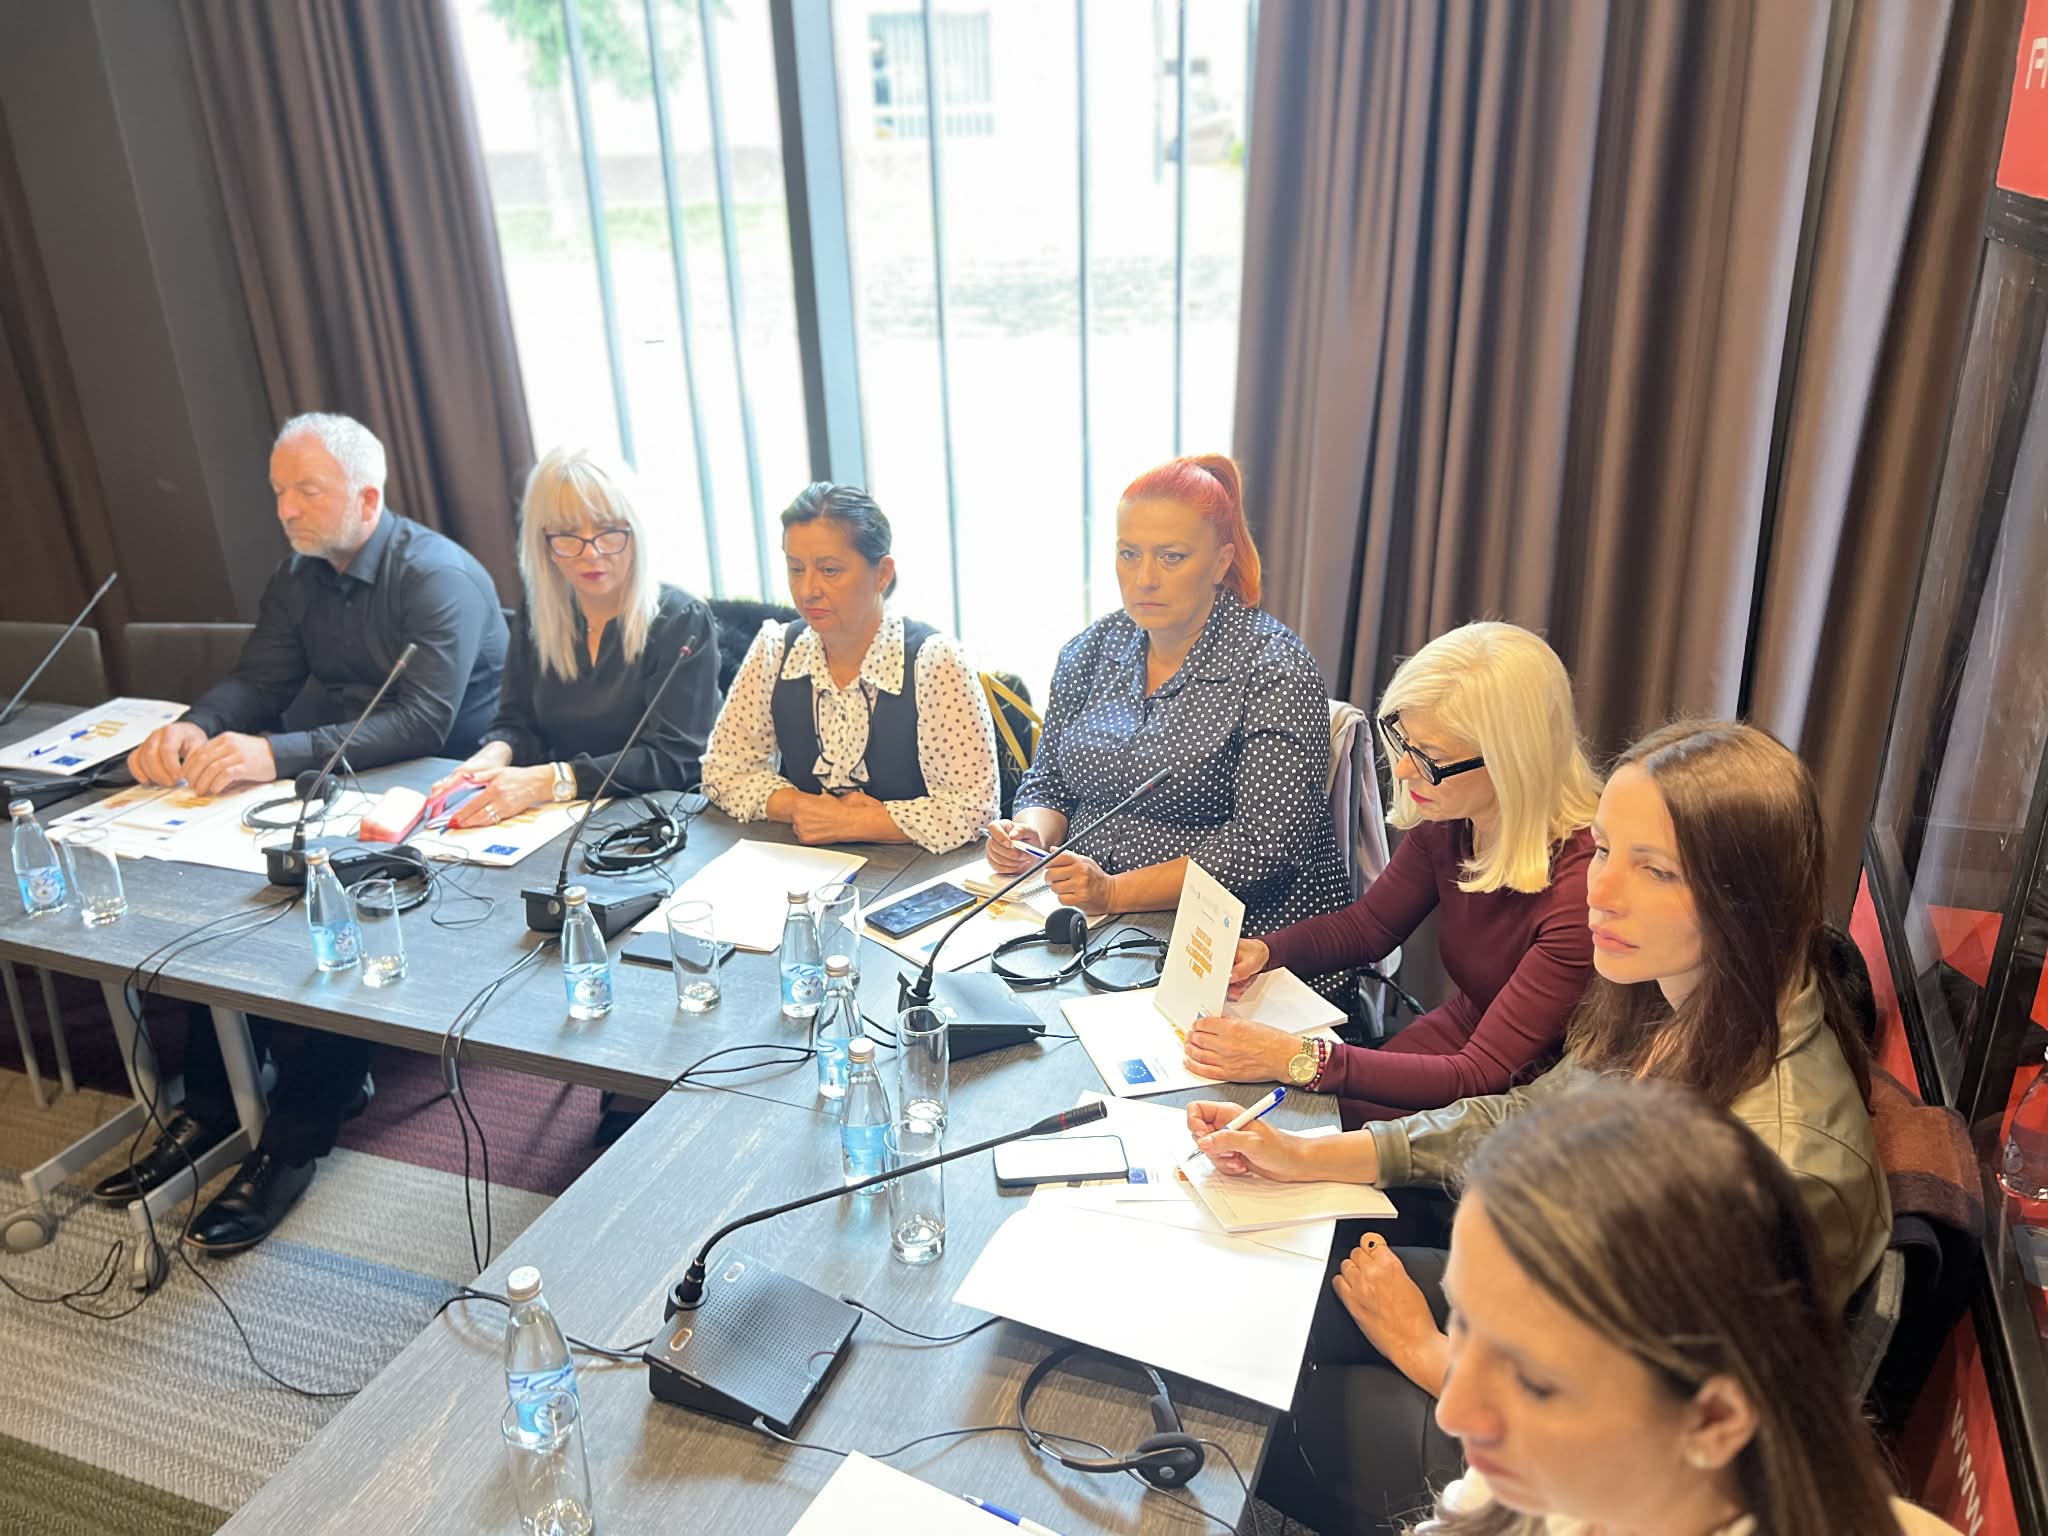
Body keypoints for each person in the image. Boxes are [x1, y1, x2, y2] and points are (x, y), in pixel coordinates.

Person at [1188, 720, 1890, 1531]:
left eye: (1656, 870)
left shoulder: (1783, 1163)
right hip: (1554, 1313)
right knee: (1259, 1311)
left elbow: (1668, 1438)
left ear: (1748, 897)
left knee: (1235, 1411)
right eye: (1604, 850)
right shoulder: (1676, 992)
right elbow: (1524, 1114)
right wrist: (1309, 1155)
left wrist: (1430, 1353)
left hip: (1578, 1469)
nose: (1602, 890)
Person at [108, 412, 509, 1253]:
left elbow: (426, 721)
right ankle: (212, 1107)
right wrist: (198, 724)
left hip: (439, 797)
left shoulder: (437, 576)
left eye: (306, 491)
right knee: (228, 892)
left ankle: (292, 1142)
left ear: (367, 497)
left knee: (334, 908)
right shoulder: (299, 575)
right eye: (279, 492)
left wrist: (275, 752)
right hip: (334, 775)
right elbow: (260, 679)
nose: (285, 509)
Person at [1412, 1079, 1955, 1535]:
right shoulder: (1543, 1483)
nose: (1452, 1412)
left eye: (1534, 1384)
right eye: (1462, 1321)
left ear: (1714, 1420)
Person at [1182, 622, 1600, 1123]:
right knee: (1282, 1115)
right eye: (1404, 743)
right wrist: (1267, 952)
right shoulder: (1455, 815)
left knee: (1295, 1124)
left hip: (1530, 1100)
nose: (1402, 771)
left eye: (1431, 758)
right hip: (1463, 1039)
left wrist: (1295, 1057)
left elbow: (1479, 1075)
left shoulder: (1580, 892)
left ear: (1513, 762)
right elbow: (1370, 927)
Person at [986, 454, 1348, 935]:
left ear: (1221, 562)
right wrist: (1030, 836)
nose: (1145, 578)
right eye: (1129, 554)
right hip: (1085, 914)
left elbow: (1265, 847)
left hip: (1240, 932)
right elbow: (1050, 782)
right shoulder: (1089, 651)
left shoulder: (1274, 669)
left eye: (1171, 557)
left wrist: (1115, 891)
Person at [700, 483, 1000, 852]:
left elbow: (974, 810)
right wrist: (803, 807)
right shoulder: (775, 651)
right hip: (803, 862)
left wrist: (851, 822)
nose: (808, 589)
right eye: (795, 569)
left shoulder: (934, 662)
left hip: (914, 872)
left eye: (829, 570)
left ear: (882, 574)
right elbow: (722, 772)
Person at [431, 447, 719, 828]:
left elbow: (675, 758)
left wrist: (552, 780)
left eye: (608, 531)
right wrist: (495, 753)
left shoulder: (681, 620)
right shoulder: (540, 614)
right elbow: (518, 721)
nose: (591, 553)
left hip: (665, 818)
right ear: (544, 544)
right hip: (565, 817)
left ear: (635, 532)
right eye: (567, 535)